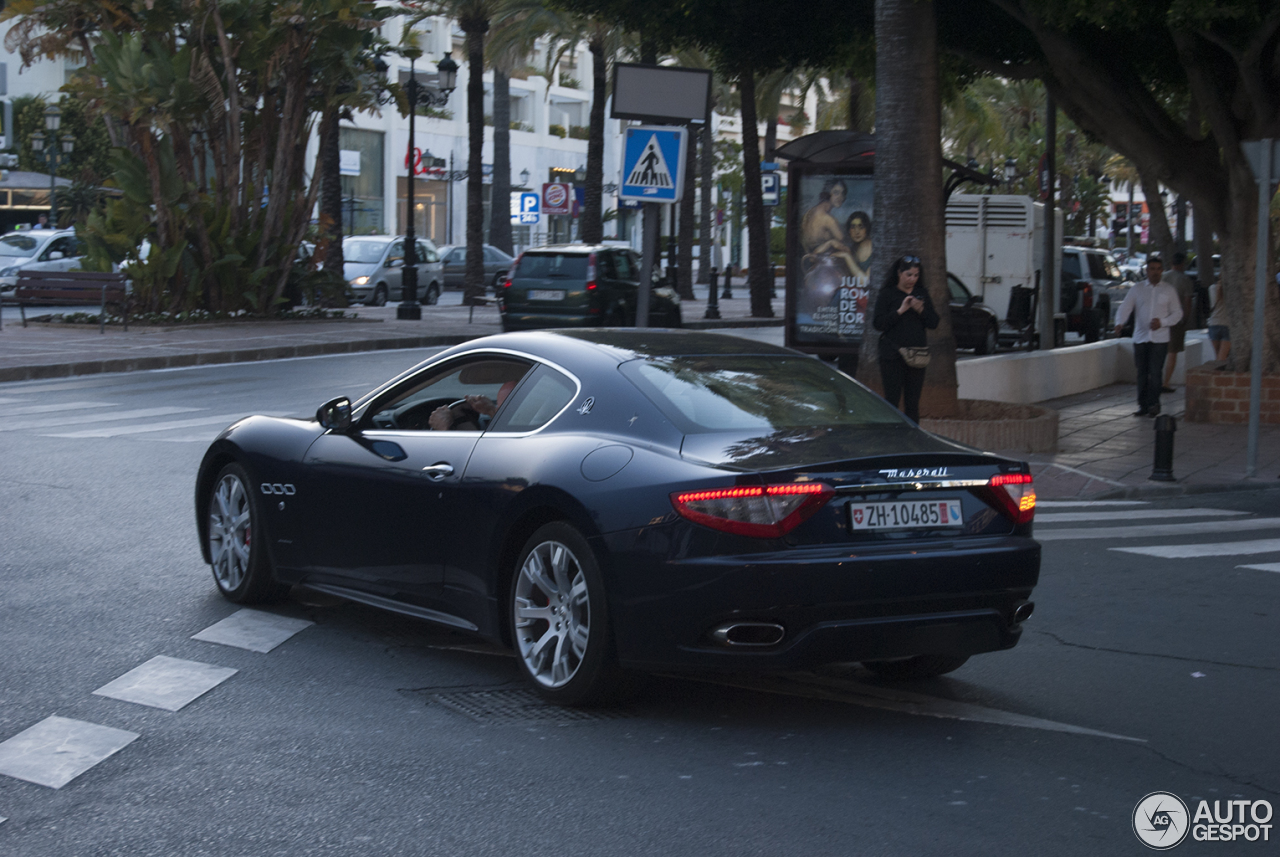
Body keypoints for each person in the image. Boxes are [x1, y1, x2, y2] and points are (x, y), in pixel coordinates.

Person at [1113, 255, 1183, 417]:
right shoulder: (1137, 289)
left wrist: (1163, 322)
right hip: (1140, 337)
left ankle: (1154, 404)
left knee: (1155, 372)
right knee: (1142, 373)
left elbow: (1177, 313)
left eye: (1158, 269)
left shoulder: (1168, 290)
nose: (1155, 273)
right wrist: (1120, 322)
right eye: (1152, 269)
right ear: (1146, 270)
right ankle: (1142, 405)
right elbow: (1126, 307)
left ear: (1162, 271)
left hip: (1160, 339)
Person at [873, 255, 938, 423]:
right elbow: (878, 323)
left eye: (916, 275)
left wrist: (921, 310)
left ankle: (913, 438)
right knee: (892, 400)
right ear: (899, 273)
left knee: (912, 402)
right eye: (908, 275)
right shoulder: (888, 293)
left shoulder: (921, 293)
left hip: (916, 355)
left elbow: (934, 322)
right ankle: (893, 437)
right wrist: (900, 311)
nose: (912, 279)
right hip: (892, 355)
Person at [1160, 252, 1195, 392]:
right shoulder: (1185, 280)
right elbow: (1187, 301)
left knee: (1159, 350)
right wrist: (1185, 318)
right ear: (1182, 264)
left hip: (1160, 318)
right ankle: (1166, 382)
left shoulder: (1162, 277)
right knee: (1172, 352)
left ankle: (1156, 379)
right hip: (1176, 320)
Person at [429, 380, 517, 431]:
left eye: (504, 409)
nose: (499, 411)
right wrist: (491, 411)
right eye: (498, 408)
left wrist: (443, 429)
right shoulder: (523, 426)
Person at [1207, 277, 1229, 361]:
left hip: (1213, 324)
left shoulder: (1212, 288)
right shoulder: (1231, 291)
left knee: (1217, 357)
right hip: (1226, 324)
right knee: (1222, 358)